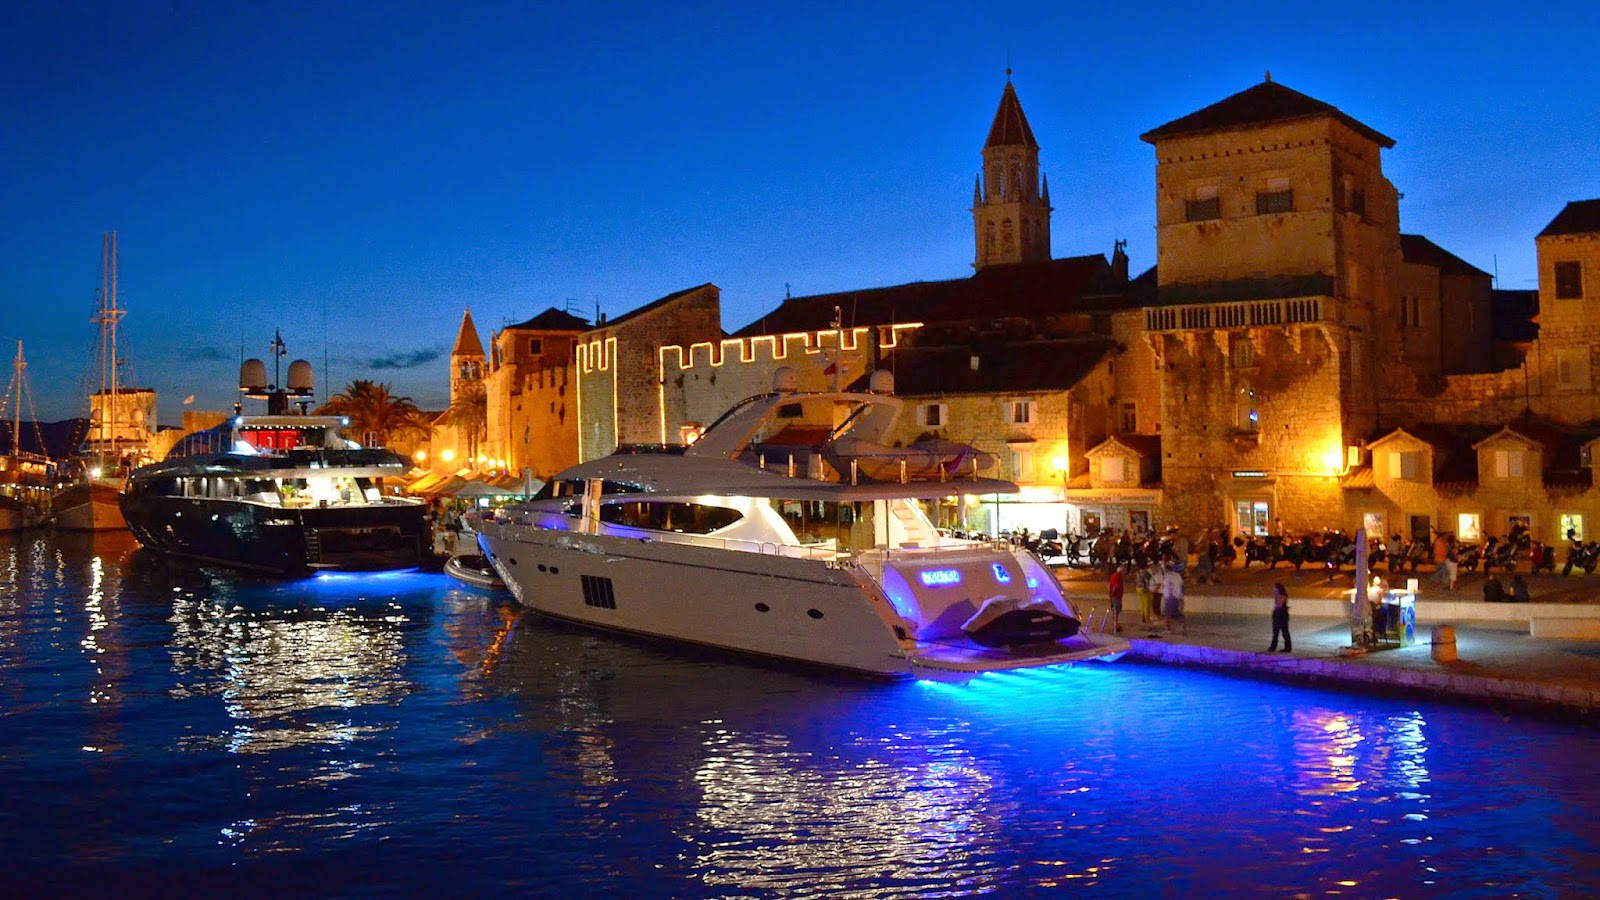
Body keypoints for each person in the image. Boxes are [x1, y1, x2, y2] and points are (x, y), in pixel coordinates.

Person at [1161, 563, 1186, 634]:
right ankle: (1182, 627)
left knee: (1167, 614)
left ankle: (1168, 629)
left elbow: (1168, 586)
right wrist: (1181, 597)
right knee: (1176, 613)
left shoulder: (1167, 576)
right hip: (1177, 597)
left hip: (1170, 597)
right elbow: (1182, 586)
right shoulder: (1178, 576)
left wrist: (1167, 596)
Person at [1267, 582, 1291, 652]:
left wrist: (1275, 610)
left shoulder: (1281, 596)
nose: (1273, 590)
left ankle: (1286, 647)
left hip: (1281, 614)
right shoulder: (1278, 596)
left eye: (1274, 588)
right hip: (1280, 614)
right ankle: (1275, 646)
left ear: (1278, 589)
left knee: (1282, 631)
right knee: (1278, 631)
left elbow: (1279, 605)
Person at [1107, 564, 1126, 633]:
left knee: (1115, 610)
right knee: (1116, 611)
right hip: (1116, 596)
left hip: (1114, 596)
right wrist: (1112, 593)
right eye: (1124, 571)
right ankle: (1115, 625)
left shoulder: (1114, 575)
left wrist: (1110, 593)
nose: (1125, 573)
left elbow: (1110, 585)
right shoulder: (1118, 576)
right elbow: (1116, 586)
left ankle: (1116, 624)